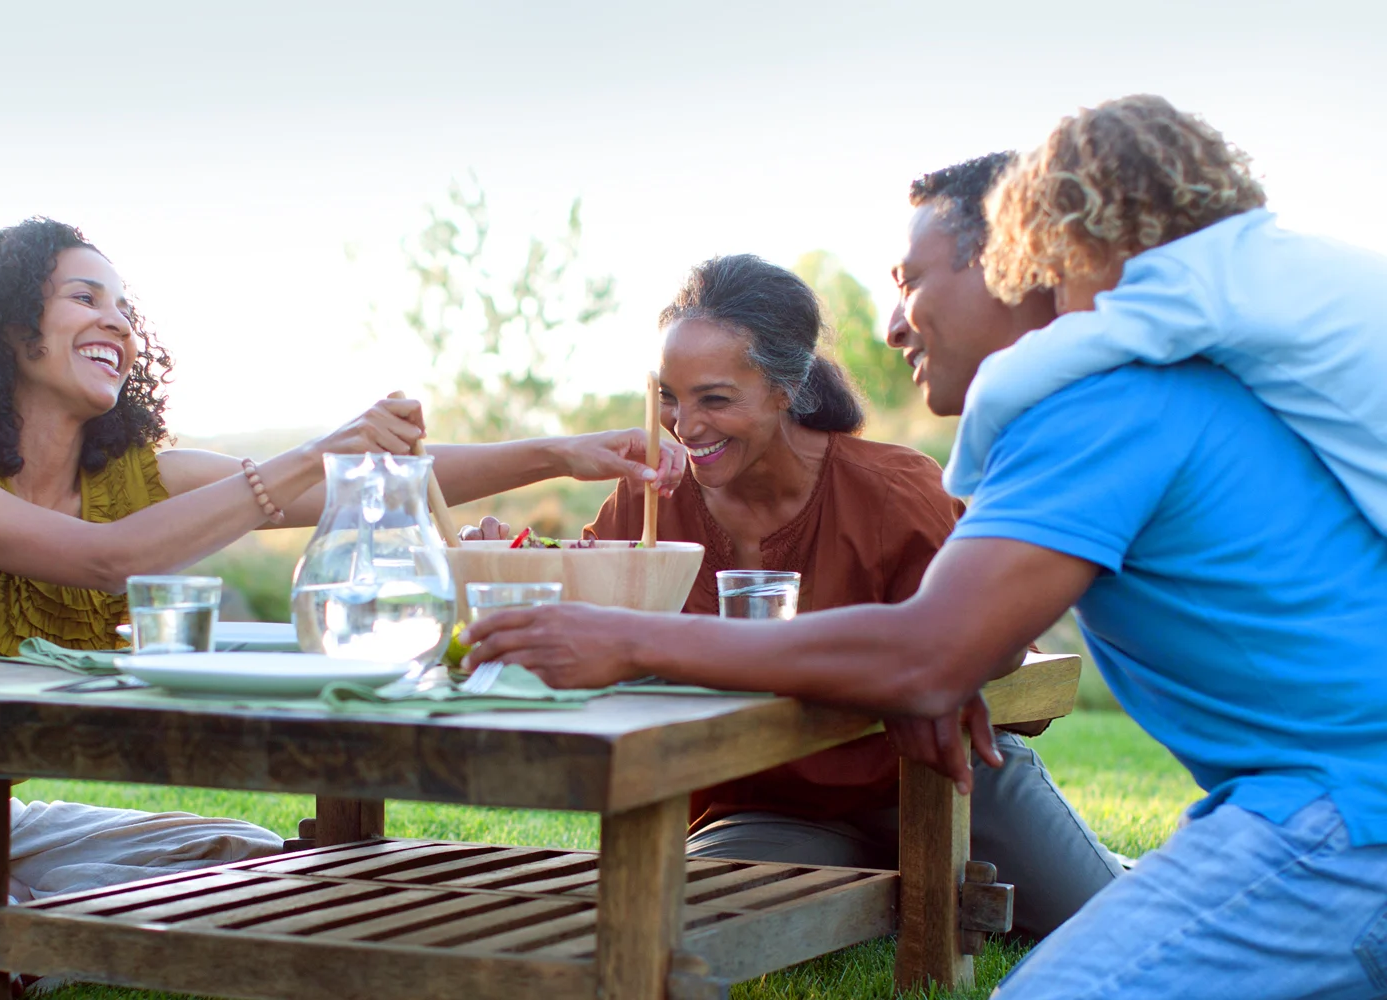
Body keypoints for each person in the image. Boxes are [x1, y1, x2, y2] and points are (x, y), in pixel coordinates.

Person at [464, 101, 1387, 1000]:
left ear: (1015, 266)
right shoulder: (1124, 398)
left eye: (911, 282)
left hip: (1346, 822)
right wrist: (933, 669)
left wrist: (630, 640)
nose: (893, 324)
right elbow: (942, 650)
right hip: (1314, 811)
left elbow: (925, 652)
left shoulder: (1094, 411)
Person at [0, 218, 684, 1000]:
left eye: (125, 307)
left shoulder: (132, 476)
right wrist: (317, 451)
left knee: (260, 867)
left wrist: (558, 452)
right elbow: (105, 564)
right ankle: (1, 931)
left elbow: (360, 488)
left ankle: (25, 913)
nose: (118, 322)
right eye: (84, 298)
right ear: (13, 330)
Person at [580, 251, 1121, 937]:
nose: (684, 428)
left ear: (787, 387)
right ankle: (895, 892)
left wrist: (934, 678)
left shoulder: (895, 492)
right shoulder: (647, 505)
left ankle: (1098, 872)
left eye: (714, 399)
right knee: (668, 935)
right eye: (668, 396)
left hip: (934, 776)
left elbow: (985, 642)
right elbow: (586, 616)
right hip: (767, 802)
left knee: (1114, 929)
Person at [946, 94, 1387, 539]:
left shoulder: (1187, 285)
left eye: (1059, 273)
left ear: (1090, 233)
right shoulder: (1270, 257)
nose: (1059, 305)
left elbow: (1021, 374)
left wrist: (963, 478)